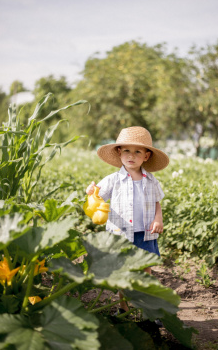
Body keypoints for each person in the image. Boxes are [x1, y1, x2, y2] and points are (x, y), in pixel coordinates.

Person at [86, 126, 169, 317]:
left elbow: (157, 203)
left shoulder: (151, 180)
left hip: (145, 233)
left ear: (146, 156)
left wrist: (158, 219)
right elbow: (96, 196)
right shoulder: (113, 179)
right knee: (123, 272)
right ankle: (123, 308)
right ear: (119, 152)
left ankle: (148, 310)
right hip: (120, 233)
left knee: (145, 270)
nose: (131, 156)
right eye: (126, 151)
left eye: (137, 151)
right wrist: (90, 190)